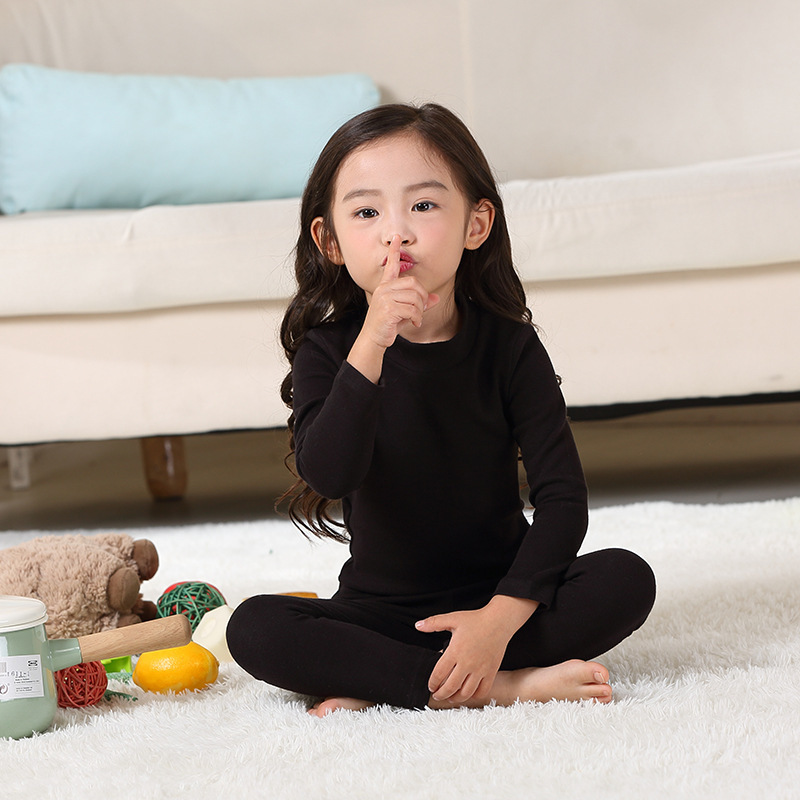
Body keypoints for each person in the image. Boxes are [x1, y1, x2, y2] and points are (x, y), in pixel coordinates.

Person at [226, 103, 656, 716]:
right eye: (367, 213)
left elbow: (563, 501)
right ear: (330, 242)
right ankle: (503, 687)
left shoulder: (509, 346)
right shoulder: (329, 351)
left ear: (475, 225)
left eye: (423, 206)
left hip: (502, 599)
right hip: (382, 613)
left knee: (627, 577)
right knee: (255, 627)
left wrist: (497, 622)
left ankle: (395, 680)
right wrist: (373, 341)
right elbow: (329, 474)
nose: (395, 233)